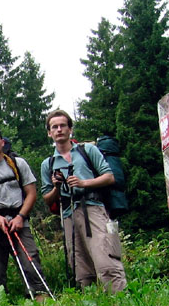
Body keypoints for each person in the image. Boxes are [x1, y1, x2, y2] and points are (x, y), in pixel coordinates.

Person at [40, 109, 127, 293]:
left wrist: (83, 183)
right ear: (49, 133)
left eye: (63, 125)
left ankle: (120, 301)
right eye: (54, 127)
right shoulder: (47, 164)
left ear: (70, 129)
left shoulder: (87, 150)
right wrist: (57, 187)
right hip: (68, 213)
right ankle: (90, 305)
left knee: (105, 258)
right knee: (80, 266)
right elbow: (47, 198)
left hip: (93, 207)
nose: (59, 130)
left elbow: (109, 176)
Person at [0, 127, 48, 300]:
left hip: (19, 220)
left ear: (2, 142)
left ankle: (40, 297)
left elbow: (31, 193)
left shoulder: (19, 164)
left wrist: (21, 217)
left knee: (30, 260)